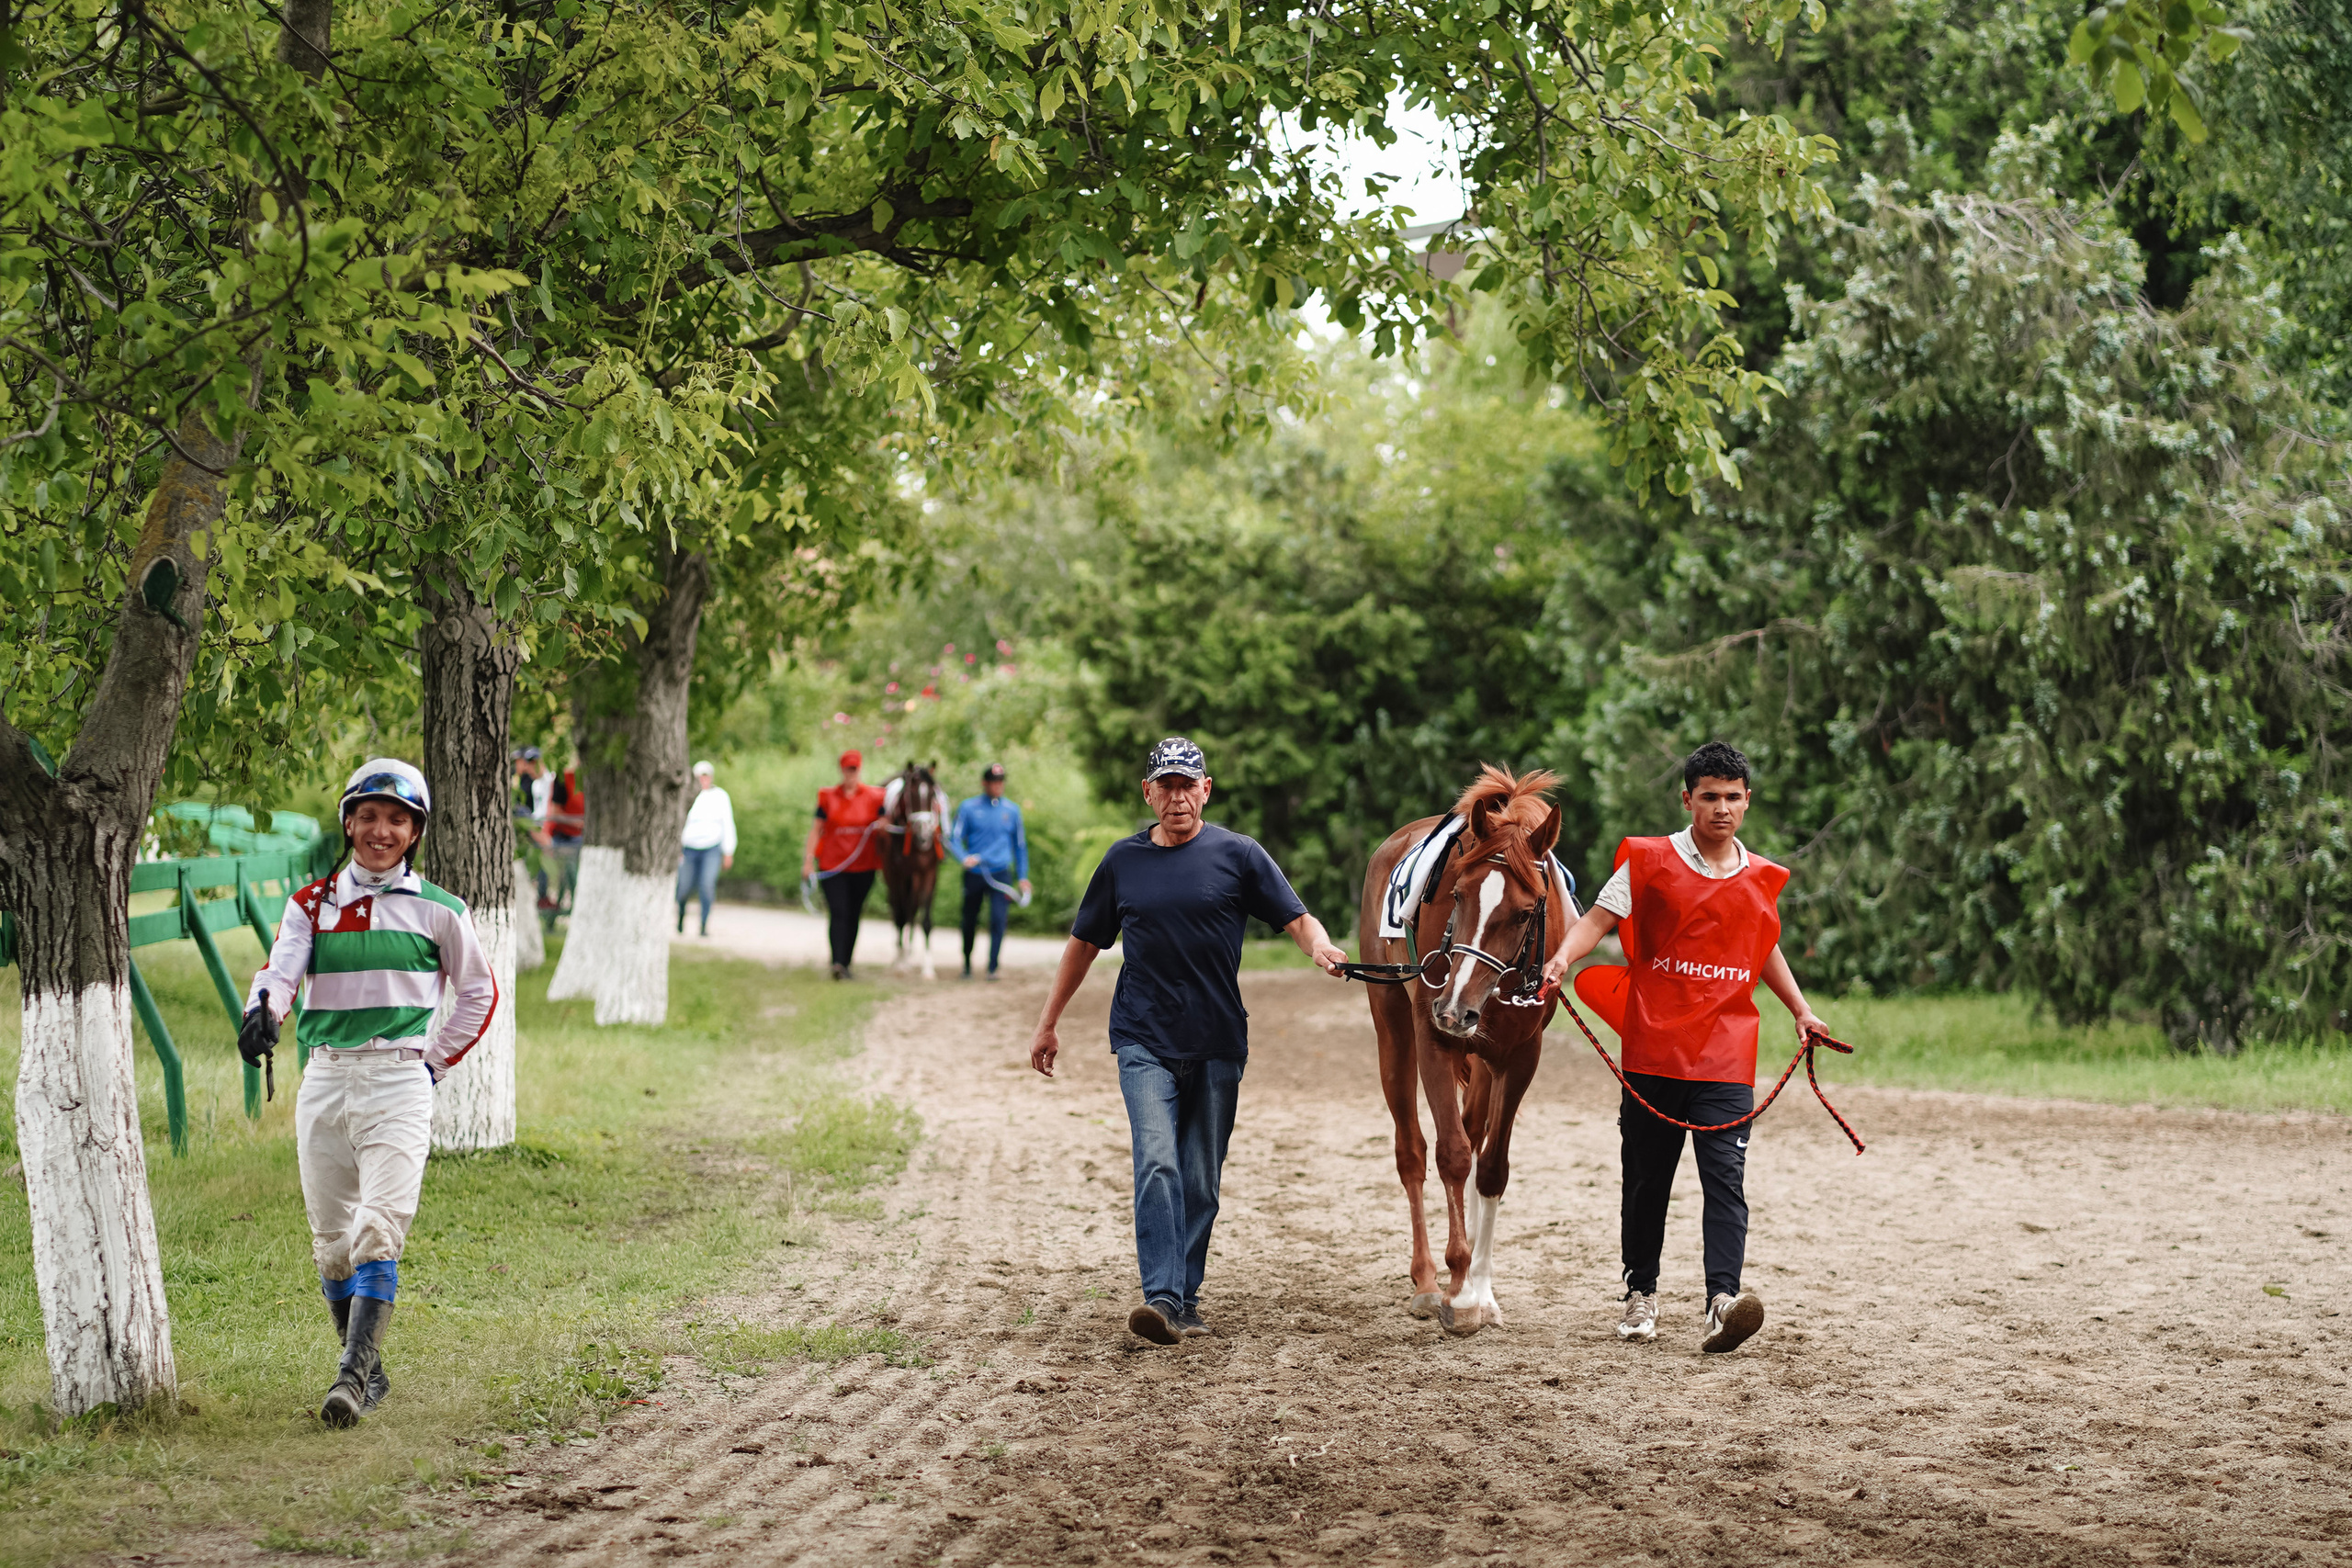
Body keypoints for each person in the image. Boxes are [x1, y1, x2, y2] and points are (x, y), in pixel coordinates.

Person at [1029, 738, 1347, 1345]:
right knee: (1157, 1161)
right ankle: (1163, 1297)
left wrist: (1322, 949)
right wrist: (1049, 1020)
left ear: (1206, 788)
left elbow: (1298, 919)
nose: (1177, 796)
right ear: (1147, 792)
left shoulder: (1239, 854)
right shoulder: (1122, 862)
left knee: (1200, 1178)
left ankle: (1187, 1297)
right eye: (1165, 785)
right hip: (1142, 1037)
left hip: (1218, 1040)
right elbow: (1084, 944)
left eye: (1187, 784)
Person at [1538, 739, 1829, 1356]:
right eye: (1709, 797)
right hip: (1653, 1050)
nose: (1721, 808)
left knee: (1726, 1176)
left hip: (1725, 1052)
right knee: (1647, 1179)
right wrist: (1563, 955)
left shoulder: (1757, 878)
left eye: (1732, 797)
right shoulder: (1649, 861)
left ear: (1747, 800)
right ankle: (1640, 1291)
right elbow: (1599, 918)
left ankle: (1722, 1301)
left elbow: (1763, 948)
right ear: (1688, 798)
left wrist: (1801, 1009)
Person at [236, 760, 498, 1427]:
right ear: (349, 821)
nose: (382, 830)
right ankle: (369, 1366)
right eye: (370, 815)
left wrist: (431, 1064)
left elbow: (478, 992)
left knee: (379, 1227)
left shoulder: (442, 910)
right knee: (332, 1242)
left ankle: (350, 1378)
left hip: (399, 1080)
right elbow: (281, 970)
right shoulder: (310, 904)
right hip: (324, 1077)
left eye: (398, 819)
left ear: (414, 832)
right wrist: (263, 1010)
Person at [803, 749, 886, 979]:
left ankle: (847, 962)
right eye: (847, 769)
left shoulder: (875, 797)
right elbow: (816, 829)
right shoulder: (828, 797)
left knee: (854, 913)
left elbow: (887, 822)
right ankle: (837, 963)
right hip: (832, 866)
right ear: (841, 769)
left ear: (859, 769)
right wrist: (808, 861)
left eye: (854, 769)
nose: (851, 773)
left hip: (864, 866)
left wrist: (883, 825)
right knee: (839, 911)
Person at [950, 762, 1031, 980]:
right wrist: (963, 857)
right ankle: (966, 963)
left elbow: (1020, 847)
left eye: (1001, 781)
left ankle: (993, 967)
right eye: (994, 781)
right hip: (975, 874)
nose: (998, 785)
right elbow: (954, 839)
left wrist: (1023, 877)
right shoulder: (968, 808)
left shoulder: (1012, 811)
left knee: (998, 919)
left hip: (1000, 874)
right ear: (985, 783)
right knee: (969, 919)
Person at [676, 760, 737, 938]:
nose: (703, 779)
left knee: (707, 886)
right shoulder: (685, 795)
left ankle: (703, 925)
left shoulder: (720, 796)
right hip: (688, 848)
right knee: (683, 887)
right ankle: (680, 916)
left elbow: (728, 824)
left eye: (705, 776)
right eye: (699, 776)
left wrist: (728, 851)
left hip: (711, 848)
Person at [542, 761, 587, 929]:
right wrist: (580, 824)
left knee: (574, 879)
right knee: (566, 878)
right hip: (563, 838)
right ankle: (553, 920)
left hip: (581, 839)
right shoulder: (564, 778)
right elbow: (555, 811)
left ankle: (574, 917)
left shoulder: (589, 781)